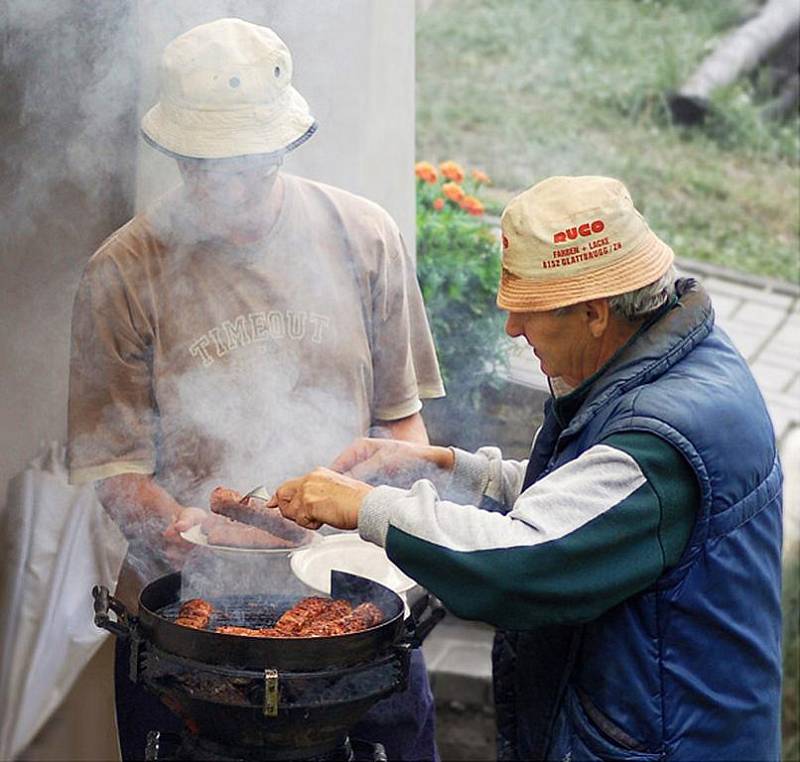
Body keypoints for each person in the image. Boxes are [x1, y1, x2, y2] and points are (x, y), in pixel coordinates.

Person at [269, 175, 784, 761]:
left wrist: (363, 506)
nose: (512, 327)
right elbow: (586, 504)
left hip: (668, 745)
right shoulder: (675, 361)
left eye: (529, 309)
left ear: (594, 313)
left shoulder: (657, 438)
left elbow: (527, 561)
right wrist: (452, 466)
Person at [67, 18, 444, 761]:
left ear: (283, 145)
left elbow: (405, 429)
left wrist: (358, 499)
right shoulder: (122, 272)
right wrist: (189, 526)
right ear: (176, 151)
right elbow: (115, 475)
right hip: (192, 628)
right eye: (208, 165)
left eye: (251, 162)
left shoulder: (363, 237)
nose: (231, 186)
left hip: (354, 613)